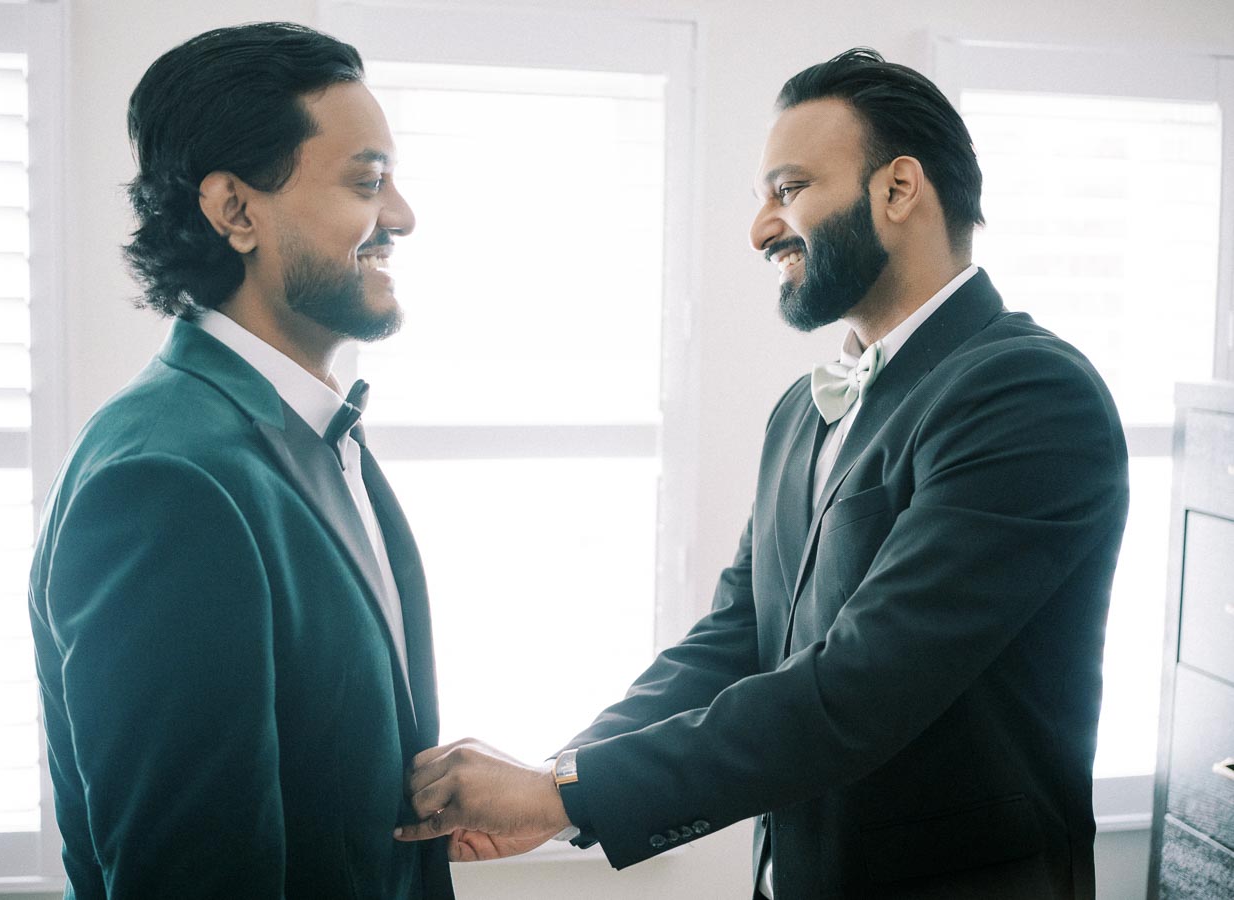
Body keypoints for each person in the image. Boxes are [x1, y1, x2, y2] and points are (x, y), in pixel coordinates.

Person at [393, 48, 1128, 899]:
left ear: (897, 190)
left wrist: (561, 797)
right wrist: (563, 776)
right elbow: (737, 640)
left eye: (788, 190)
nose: (760, 228)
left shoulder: (1029, 393)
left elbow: (861, 686)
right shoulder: (801, 409)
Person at [28, 22, 453, 899]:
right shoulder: (167, 483)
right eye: (368, 181)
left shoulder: (302, 428)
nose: (402, 216)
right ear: (235, 210)